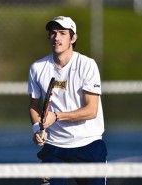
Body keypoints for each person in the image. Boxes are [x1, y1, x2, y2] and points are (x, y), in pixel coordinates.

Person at [28, 16, 107, 185]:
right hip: (54, 148)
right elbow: (34, 105)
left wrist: (55, 116)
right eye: (53, 33)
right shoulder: (37, 68)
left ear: (73, 38)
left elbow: (91, 110)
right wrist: (37, 128)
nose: (57, 37)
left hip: (88, 145)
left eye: (63, 33)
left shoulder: (87, 65)